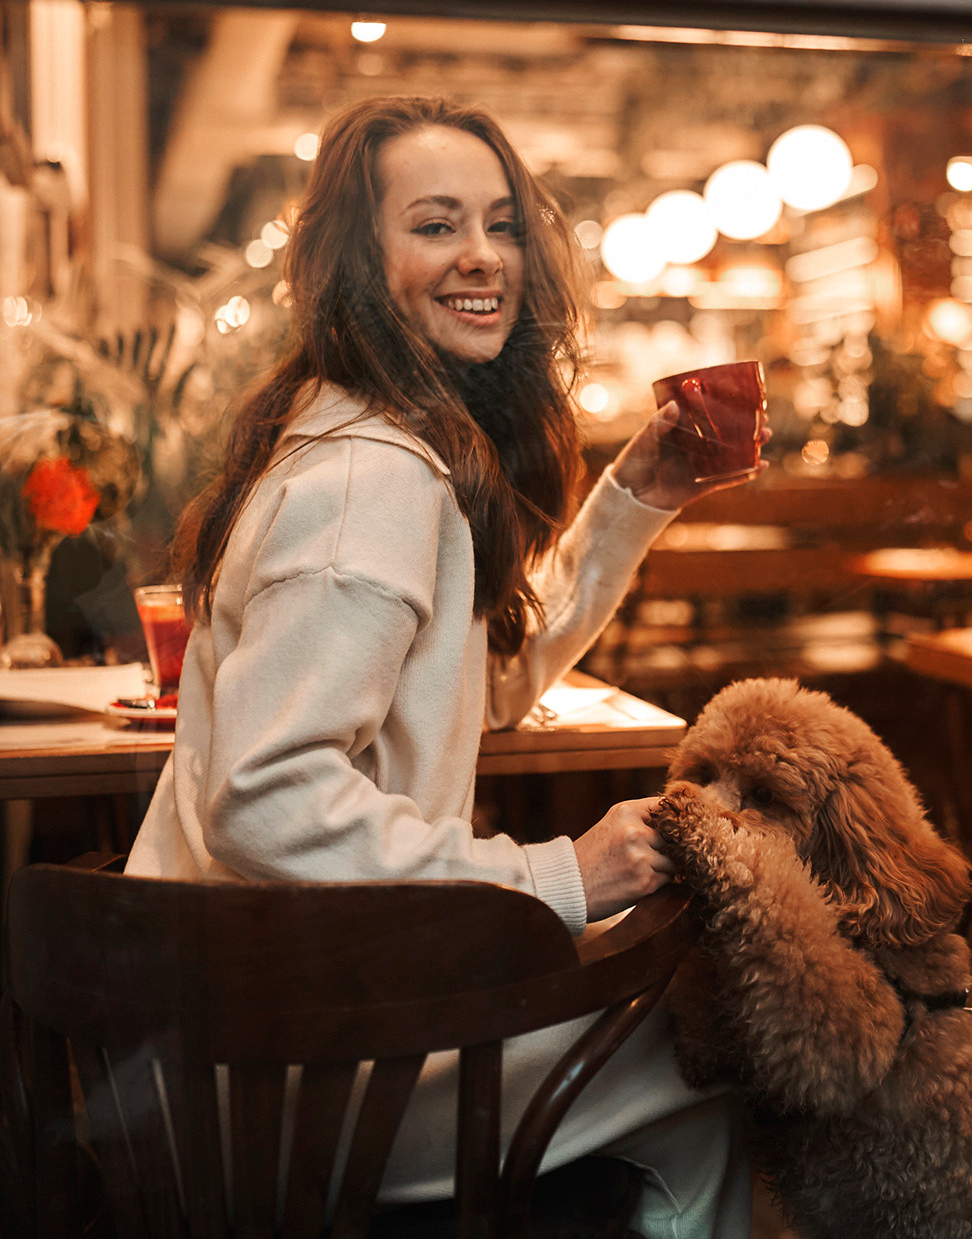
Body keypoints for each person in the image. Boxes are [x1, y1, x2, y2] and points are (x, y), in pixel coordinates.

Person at [125, 95, 762, 1237]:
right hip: (283, 1077)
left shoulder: (367, 435)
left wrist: (635, 500)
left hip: (264, 1024)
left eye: (503, 224)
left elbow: (485, 687)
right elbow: (266, 803)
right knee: (722, 1059)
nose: (483, 257)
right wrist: (561, 876)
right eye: (434, 224)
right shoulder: (375, 478)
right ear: (356, 262)